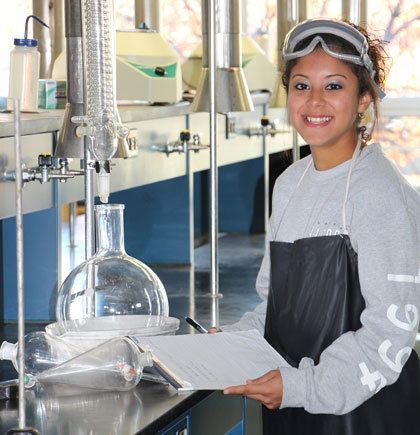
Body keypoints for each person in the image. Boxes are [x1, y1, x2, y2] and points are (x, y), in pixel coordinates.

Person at [217, 17, 420, 434]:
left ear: (363, 98)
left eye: (334, 86)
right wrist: (233, 342)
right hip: (294, 405)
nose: (314, 101)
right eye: (301, 85)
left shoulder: (379, 192)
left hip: (367, 414)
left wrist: (302, 386)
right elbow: (275, 306)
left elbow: (391, 329)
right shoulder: (290, 183)